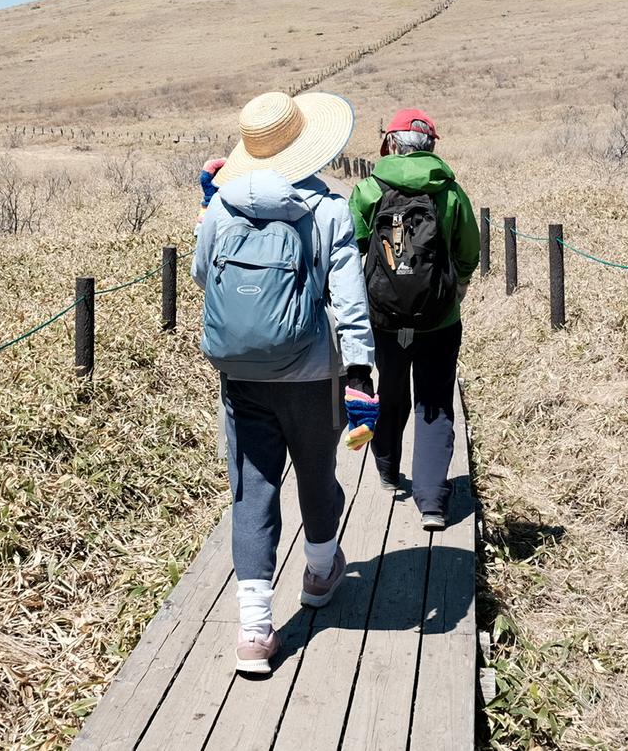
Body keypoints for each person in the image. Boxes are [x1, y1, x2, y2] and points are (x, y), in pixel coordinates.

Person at [193, 91, 374, 674]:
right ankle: (320, 573)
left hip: (241, 375)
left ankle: (254, 631)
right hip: (313, 375)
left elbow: (201, 275)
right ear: (307, 145)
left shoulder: (222, 206)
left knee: (251, 488)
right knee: (317, 475)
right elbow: (348, 302)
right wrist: (361, 374)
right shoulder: (327, 211)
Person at [348, 108, 479, 532]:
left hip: (384, 317)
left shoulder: (370, 189)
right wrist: (453, 291)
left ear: (390, 144)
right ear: (432, 146)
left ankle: (386, 469)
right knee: (436, 402)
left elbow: (350, 247)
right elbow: (468, 252)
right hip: (439, 321)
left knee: (390, 387)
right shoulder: (449, 191)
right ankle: (432, 503)